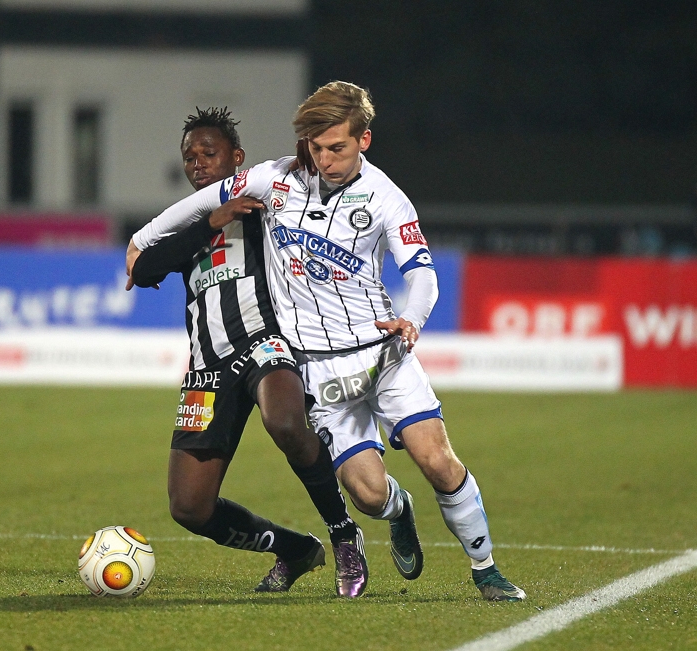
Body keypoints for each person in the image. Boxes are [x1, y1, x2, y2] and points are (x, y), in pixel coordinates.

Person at [130, 83, 526, 601]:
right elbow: (183, 216)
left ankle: (486, 569)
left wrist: (411, 318)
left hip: (380, 353)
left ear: (364, 140)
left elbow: (422, 272)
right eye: (315, 148)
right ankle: (395, 511)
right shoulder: (274, 180)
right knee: (369, 496)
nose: (325, 159)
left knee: (436, 460)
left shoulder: (385, 197)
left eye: (336, 147)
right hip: (315, 368)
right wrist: (150, 240)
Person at [127, 108, 367, 597]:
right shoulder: (186, 223)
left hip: (263, 342)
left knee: (285, 423)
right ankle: (296, 549)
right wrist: (208, 224)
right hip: (206, 369)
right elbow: (144, 269)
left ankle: (344, 534)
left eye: (208, 153)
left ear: (236, 158)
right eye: (189, 157)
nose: (197, 163)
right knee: (189, 508)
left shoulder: (264, 206)